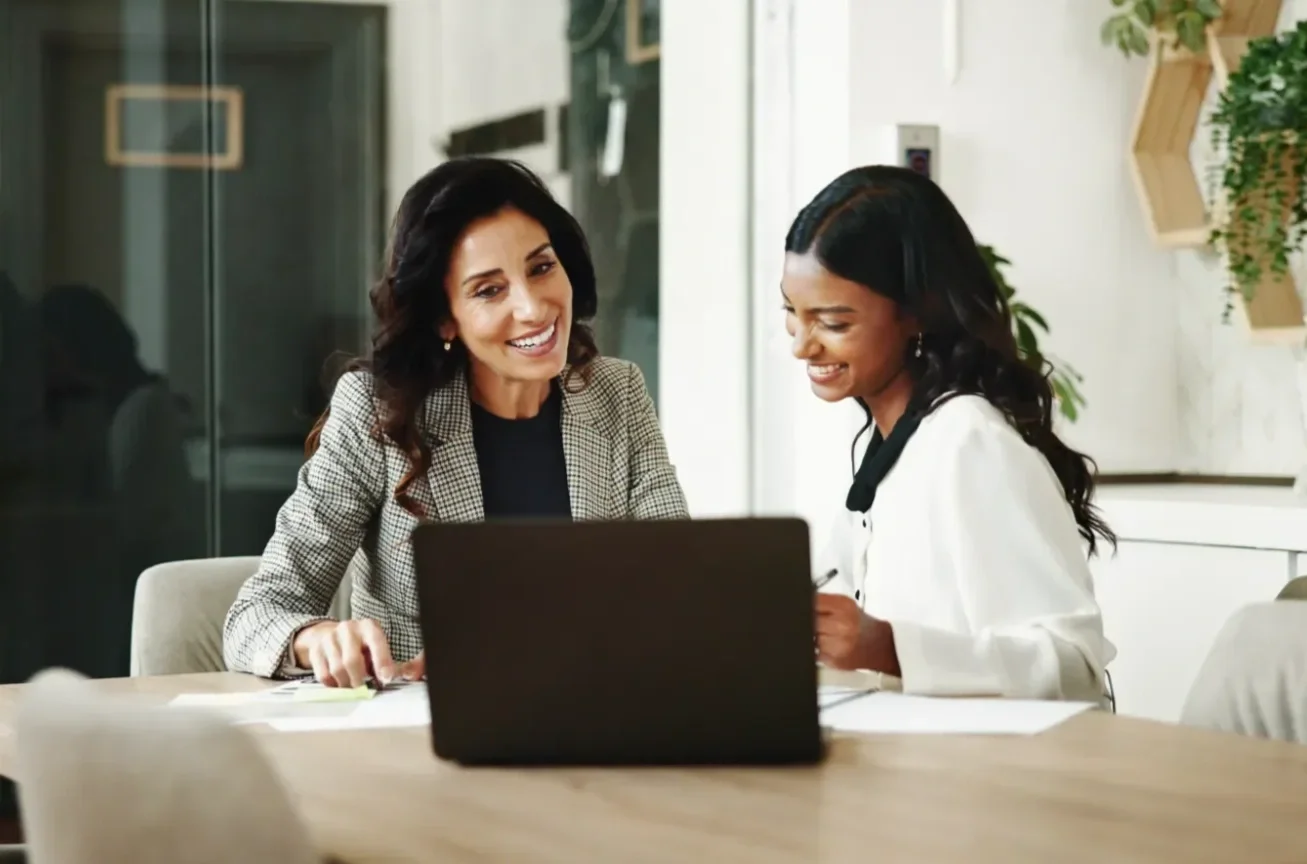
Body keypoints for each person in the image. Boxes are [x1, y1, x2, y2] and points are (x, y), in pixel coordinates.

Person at [222, 157, 688, 685]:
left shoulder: (616, 393)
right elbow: (255, 615)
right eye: (489, 290)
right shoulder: (377, 414)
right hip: (426, 746)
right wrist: (317, 639)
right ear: (445, 317)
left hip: (589, 728)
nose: (534, 309)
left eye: (540, 268)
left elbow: (677, 589)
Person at [785, 165, 1116, 703]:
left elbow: (1073, 667)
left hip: (984, 778)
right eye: (793, 314)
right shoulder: (891, 445)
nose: (802, 345)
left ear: (915, 314)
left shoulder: (970, 442)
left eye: (833, 323)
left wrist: (888, 647)